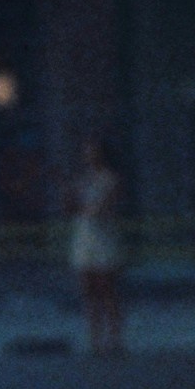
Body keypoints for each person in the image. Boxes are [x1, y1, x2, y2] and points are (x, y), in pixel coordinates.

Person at [66, 143, 129, 357]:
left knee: (107, 290)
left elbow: (105, 206)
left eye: (93, 151)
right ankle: (94, 340)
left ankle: (115, 338)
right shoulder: (82, 178)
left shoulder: (110, 178)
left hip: (104, 238)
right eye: (87, 152)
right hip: (84, 237)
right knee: (88, 291)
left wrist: (89, 207)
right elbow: (71, 207)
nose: (89, 155)